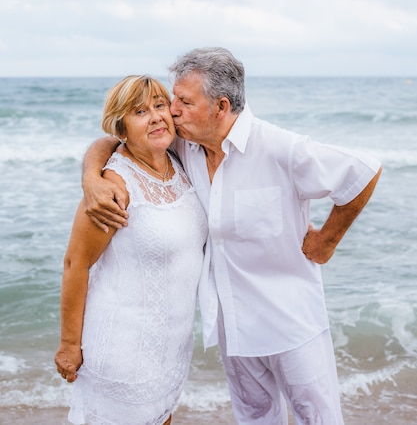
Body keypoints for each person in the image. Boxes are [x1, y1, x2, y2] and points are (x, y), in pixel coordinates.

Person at [81, 49, 382, 425]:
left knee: (318, 419)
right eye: (174, 99)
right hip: (232, 325)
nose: (172, 110)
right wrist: (92, 177)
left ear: (220, 107)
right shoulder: (184, 145)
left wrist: (327, 241)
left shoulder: (279, 147)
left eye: (185, 102)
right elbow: (117, 140)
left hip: (291, 321)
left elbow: (363, 172)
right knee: (255, 418)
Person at [55, 75, 207, 425]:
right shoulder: (113, 187)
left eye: (159, 105)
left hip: (169, 348)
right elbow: (75, 264)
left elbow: (102, 142)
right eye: (140, 111)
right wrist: (68, 345)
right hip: (123, 351)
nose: (155, 116)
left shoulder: (178, 160)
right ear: (122, 128)